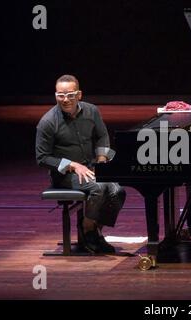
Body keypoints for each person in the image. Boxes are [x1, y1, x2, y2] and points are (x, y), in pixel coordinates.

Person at [36, 74, 126, 254]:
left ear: (79, 95)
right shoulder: (47, 122)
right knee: (99, 188)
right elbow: (42, 158)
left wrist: (101, 160)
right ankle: (87, 230)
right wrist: (73, 165)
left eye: (70, 95)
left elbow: (102, 136)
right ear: (55, 96)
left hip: (92, 167)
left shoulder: (91, 111)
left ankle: (95, 229)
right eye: (61, 95)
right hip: (65, 176)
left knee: (118, 191)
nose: (65, 100)